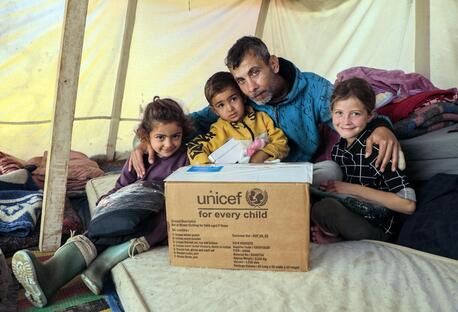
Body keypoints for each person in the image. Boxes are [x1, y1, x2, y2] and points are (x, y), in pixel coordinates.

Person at [129, 36, 401, 185]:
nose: (251, 88)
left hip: (297, 171)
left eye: (255, 73)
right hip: (249, 173)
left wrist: (382, 127)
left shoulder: (314, 90)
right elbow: (188, 123)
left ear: (273, 63)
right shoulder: (239, 102)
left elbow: (351, 114)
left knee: (331, 171)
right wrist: (144, 140)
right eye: (241, 80)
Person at [11, 97, 192, 307]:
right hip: (130, 216)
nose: (169, 144)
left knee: (118, 228)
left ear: (183, 134)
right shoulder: (140, 160)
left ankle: (54, 274)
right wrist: (106, 202)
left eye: (175, 136)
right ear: (146, 136)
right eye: (160, 137)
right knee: (110, 224)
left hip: (154, 226)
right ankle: (55, 277)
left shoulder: (186, 159)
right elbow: (121, 186)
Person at [310, 78, 416, 244]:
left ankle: (337, 237)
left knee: (325, 209)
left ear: (370, 116)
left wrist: (348, 188)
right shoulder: (339, 148)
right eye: (339, 113)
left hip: (379, 226)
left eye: (355, 114)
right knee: (308, 198)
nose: (346, 121)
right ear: (331, 113)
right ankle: (335, 234)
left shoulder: (380, 148)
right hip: (354, 209)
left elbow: (408, 205)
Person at [187, 71, 289, 164]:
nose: (230, 108)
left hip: (269, 175)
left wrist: (263, 154)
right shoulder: (219, 130)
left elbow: (281, 143)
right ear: (215, 111)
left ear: (243, 96)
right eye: (221, 105)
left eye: (233, 99)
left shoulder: (262, 119)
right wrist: (206, 168)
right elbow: (195, 148)